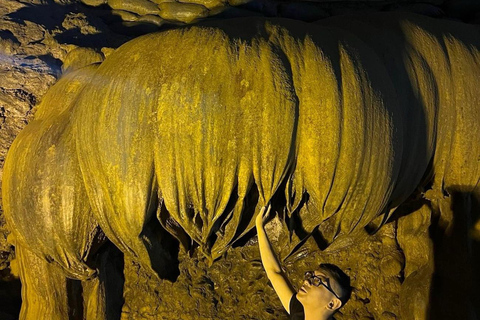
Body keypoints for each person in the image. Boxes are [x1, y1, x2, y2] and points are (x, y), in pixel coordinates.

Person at [255, 204, 351, 320]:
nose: (306, 281)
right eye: (311, 276)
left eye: (317, 281)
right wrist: (260, 227)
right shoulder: (299, 312)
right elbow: (274, 272)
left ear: (332, 304)